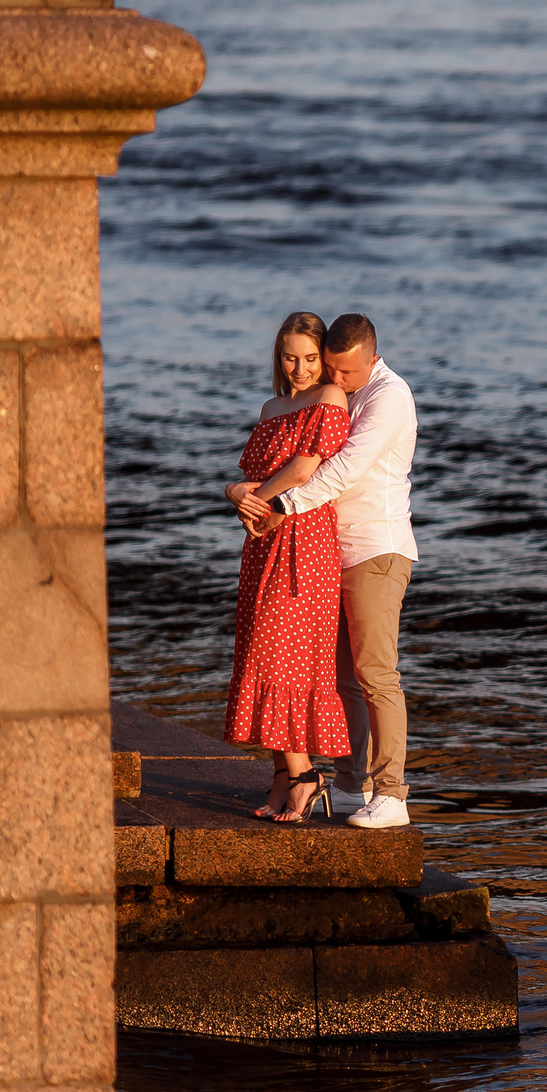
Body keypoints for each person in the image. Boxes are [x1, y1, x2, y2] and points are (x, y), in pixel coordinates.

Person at [239, 312, 419, 829]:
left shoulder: (389, 396)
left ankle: (392, 793)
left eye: (346, 372)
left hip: (375, 549)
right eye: (331, 371)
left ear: (372, 356)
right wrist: (243, 494)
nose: (335, 380)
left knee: (376, 673)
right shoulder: (342, 389)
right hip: (329, 550)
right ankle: (350, 783)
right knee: (342, 678)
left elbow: (343, 469)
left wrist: (278, 507)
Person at [222, 312, 352, 822]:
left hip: (306, 538)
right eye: (290, 358)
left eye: (310, 358)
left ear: (324, 358)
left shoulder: (330, 400)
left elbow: (304, 469)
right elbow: (251, 478)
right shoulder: (272, 406)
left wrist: (261, 503)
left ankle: (305, 775)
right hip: (262, 543)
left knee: (284, 655)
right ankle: (282, 775)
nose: (299, 369)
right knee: (259, 651)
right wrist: (237, 493)